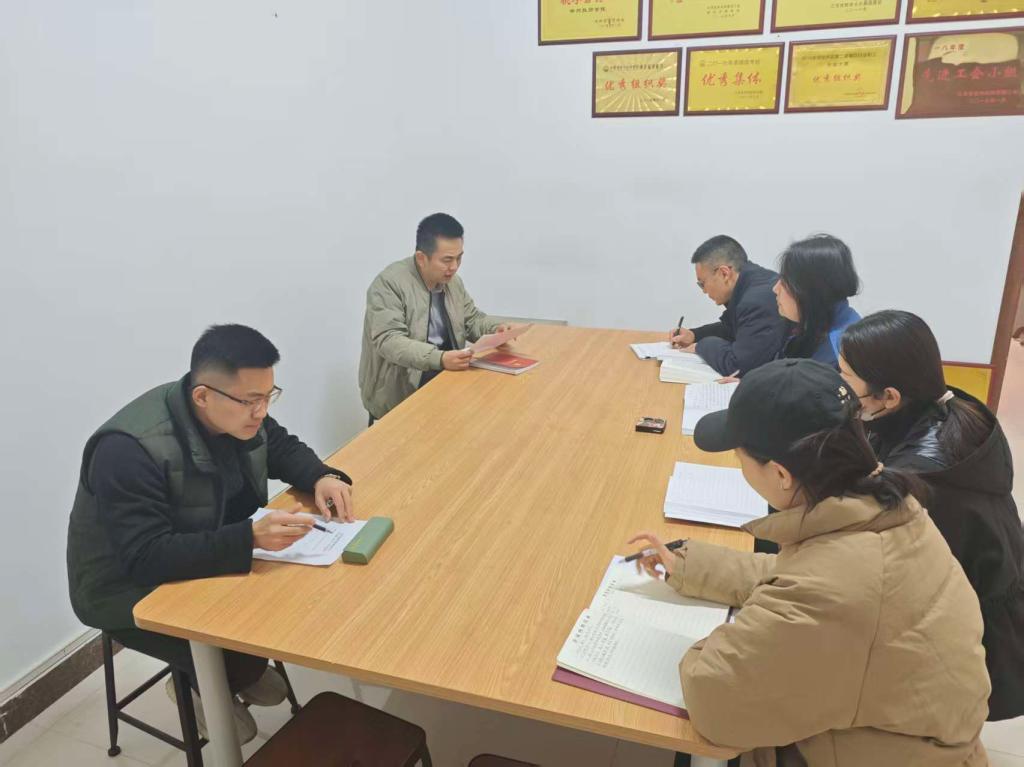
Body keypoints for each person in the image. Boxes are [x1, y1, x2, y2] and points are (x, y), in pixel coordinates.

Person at [629, 359, 989, 766]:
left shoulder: (834, 583)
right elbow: (800, 575)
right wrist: (691, 564)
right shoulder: (884, 507)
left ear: (781, 474)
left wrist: (718, 640)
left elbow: (716, 700)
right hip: (904, 739)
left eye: (741, 458)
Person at [67, 324, 355, 742]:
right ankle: (202, 680)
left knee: (278, 604)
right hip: (123, 585)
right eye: (251, 401)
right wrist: (248, 539)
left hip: (200, 543)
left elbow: (280, 446)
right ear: (202, 395)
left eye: (269, 396)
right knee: (238, 634)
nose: (261, 411)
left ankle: (237, 669)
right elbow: (145, 558)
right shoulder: (128, 450)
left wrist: (321, 476)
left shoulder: (236, 413)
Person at [840, 309, 1024, 721]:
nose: (841, 388)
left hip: (983, 644)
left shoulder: (919, 476)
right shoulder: (946, 406)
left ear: (889, 396)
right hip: (990, 598)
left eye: (846, 378)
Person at [359, 212, 510, 423]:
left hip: (445, 377)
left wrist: (495, 329)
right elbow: (389, 341)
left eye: (459, 258)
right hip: (401, 392)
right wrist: (438, 359)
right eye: (447, 260)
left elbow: (471, 319)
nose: (454, 267)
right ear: (421, 258)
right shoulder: (388, 284)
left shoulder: (453, 282)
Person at [668, 235, 789, 377]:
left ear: (724, 273)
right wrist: (695, 335)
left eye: (702, 283)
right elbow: (737, 328)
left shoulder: (756, 301)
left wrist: (701, 346)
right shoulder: (754, 279)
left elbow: (737, 367)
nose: (704, 291)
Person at [773, 234, 861, 368]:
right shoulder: (815, 322)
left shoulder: (837, 354)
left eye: (785, 282)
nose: (775, 289)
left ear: (809, 290)